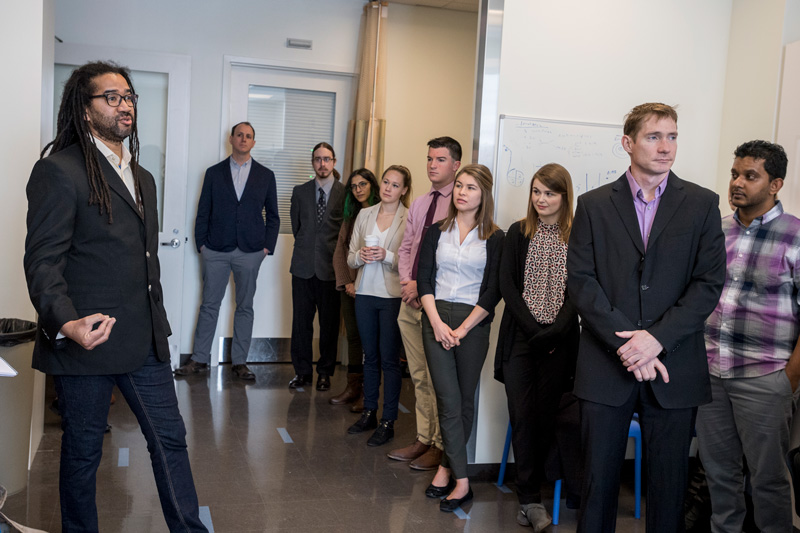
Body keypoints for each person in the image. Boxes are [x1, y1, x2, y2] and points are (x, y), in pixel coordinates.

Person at [23, 61, 206, 532]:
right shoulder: (58, 172)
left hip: (144, 338)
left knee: (170, 439)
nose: (124, 105)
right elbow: (44, 260)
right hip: (89, 338)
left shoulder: (142, 177)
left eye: (129, 97)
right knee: (83, 450)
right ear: (85, 111)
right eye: (111, 97)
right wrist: (67, 322)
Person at [567, 102, 726, 532]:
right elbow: (581, 282)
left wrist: (655, 340)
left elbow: (709, 283)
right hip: (605, 366)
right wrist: (627, 343)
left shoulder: (701, 204)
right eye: (654, 136)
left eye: (672, 136)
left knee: (668, 489)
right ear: (628, 143)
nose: (665, 146)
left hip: (674, 366)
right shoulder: (594, 205)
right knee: (597, 486)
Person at [697, 140, 800, 533]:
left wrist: (788, 378)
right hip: (711, 375)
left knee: (768, 480)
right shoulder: (717, 231)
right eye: (735, 174)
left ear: (775, 184)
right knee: (719, 474)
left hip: (765, 378)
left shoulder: (794, 235)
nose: (738, 183)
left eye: (750, 176)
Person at [495, 163, 579, 531]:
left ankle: (538, 491)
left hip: (560, 342)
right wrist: (533, 330)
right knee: (523, 414)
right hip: (522, 339)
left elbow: (580, 289)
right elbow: (506, 285)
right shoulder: (518, 232)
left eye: (550, 192)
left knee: (548, 415)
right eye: (536, 191)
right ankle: (529, 497)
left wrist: (556, 331)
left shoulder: (578, 235)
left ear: (564, 196)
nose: (541, 199)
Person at [417, 163, 504, 512]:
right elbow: (423, 278)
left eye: (470, 187)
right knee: (448, 399)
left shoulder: (496, 238)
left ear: (483, 195)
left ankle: (444, 469)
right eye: (459, 186)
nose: (462, 192)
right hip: (436, 318)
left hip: (474, 323)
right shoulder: (437, 231)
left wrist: (464, 328)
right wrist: (437, 323)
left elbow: (493, 290)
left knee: (464, 399)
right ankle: (463, 482)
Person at [175, 122, 279, 380]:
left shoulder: (266, 175)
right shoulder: (213, 173)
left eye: (249, 136)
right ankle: (199, 359)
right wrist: (202, 245)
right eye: (240, 135)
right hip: (216, 250)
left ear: (254, 142)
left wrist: (266, 248)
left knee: (245, 306)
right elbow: (203, 212)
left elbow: (274, 216)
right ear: (231, 139)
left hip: (251, 251)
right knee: (209, 305)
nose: (244, 139)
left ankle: (240, 363)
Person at [389, 136, 462, 470]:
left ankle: (439, 445)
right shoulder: (419, 203)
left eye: (441, 159)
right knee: (418, 376)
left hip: (437, 304)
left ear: (456, 165)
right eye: (430, 159)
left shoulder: (460, 204)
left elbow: (450, 260)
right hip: (410, 301)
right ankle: (422, 437)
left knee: (438, 379)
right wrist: (407, 282)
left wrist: (421, 286)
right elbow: (407, 247)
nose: (433, 165)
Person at [345, 165, 412, 446]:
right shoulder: (364, 214)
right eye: (386, 182)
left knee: (389, 360)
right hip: (364, 293)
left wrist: (386, 255)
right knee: (369, 357)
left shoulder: (409, 218)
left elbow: (410, 262)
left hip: (392, 297)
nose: (388, 188)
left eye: (395, 185)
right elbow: (349, 258)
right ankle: (369, 412)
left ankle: (388, 421)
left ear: (404, 190)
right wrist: (360, 255)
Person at [288, 142, 345, 391]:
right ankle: (302, 372)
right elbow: (297, 227)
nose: (322, 164)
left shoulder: (345, 194)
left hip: (331, 270)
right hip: (302, 268)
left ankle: (324, 372)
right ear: (313, 162)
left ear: (334, 162)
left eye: (327, 159)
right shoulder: (299, 192)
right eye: (318, 159)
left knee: (329, 324)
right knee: (301, 323)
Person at [330, 168, 380, 410]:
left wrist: (358, 284)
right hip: (349, 287)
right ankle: (353, 387)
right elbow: (340, 251)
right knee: (353, 337)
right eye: (354, 186)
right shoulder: (350, 215)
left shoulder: (382, 213)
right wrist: (346, 283)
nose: (358, 189)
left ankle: (368, 394)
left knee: (371, 341)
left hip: (371, 288)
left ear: (372, 185)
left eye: (363, 184)